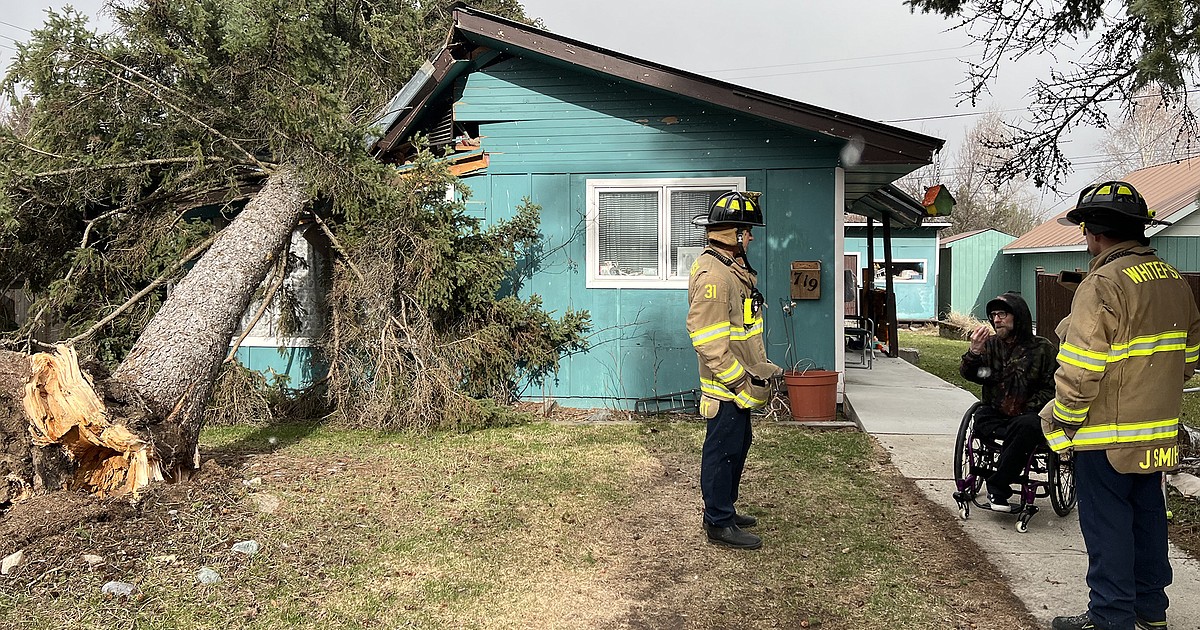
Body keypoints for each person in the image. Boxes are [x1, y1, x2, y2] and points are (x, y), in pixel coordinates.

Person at [1046, 181, 1200, 630]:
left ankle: (1111, 616)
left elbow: (1080, 368)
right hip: (1157, 434)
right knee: (1148, 521)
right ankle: (1151, 613)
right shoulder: (1174, 280)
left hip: (1106, 438)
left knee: (1108, 527)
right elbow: (1188, 359)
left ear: (1093, 233)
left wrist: (1065, 424)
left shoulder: (1103, 283)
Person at [686, 190, 780, 550]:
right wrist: (739, 379)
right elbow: (707, 339)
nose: (752, 237)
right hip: (725, 384)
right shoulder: (715, 276)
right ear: (734, 235)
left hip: (739, 381)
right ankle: (718, 521)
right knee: (722, 449)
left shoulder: (730, 270)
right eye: (748, 230)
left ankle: (726, 507)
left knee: (739, 444)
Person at [959, 291, 1058, 512]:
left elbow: (1053, 387)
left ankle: (998, 485)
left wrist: (1027, 408)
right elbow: (971, 374)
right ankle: (999, 478)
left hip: (1027, 415)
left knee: (1027, 427)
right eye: (993, 315)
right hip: (995, 413)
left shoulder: (1043, 349)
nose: (996, 320)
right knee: (980, 416)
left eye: (1002, 314)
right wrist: (974, 352)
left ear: (1018, 316)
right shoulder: (990, 345)